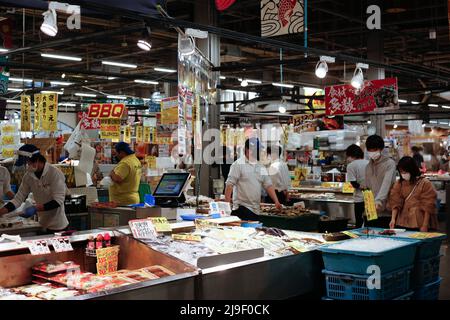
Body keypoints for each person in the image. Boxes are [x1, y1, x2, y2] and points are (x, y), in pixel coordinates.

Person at [0, 144, 69, 233]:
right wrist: (2, 211)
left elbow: (58, 201)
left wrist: (35, 208)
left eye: (27, 163)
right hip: (41, 224)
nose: (26, 166)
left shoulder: (54, 173)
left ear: (36, 160)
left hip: (58, 226)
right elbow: (18, 199)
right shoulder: (28, 176)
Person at [224, 138, 282, 221]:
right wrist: (226, 205)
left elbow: (268, 185)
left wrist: (276, 201)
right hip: (241, 209)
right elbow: (229, 185)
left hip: (256, 210)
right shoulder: (238, 164)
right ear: (247, 149)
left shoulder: (260, 166)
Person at [388, 156, 437, 231]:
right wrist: (393, 219)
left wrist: (425, 224)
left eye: (406, 172)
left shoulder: (425, 183)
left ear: (412, 170)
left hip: (419, 221)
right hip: (402, 221)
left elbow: (428, 206)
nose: (403, 174)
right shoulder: (399, 184)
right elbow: (395, 202)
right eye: (401, 172)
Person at [364, 135, 397, 228]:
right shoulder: (368, 167)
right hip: (371, 211)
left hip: (386, 210)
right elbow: (367, 188)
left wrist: (378, 201)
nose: (372, 152)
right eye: (369, 150)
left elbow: (387, 183)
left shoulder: (389, 163)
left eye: (374, 149)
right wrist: (368, 207)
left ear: (381, 149)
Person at [345, 144, 369, 228]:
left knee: (359, 222)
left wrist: (361, 186)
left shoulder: (351, 165)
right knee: (369, 222)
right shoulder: (369, 162)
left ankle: (358, 240)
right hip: (370, 197)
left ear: (351, 155)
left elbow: (353, 183)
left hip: (359, 199)